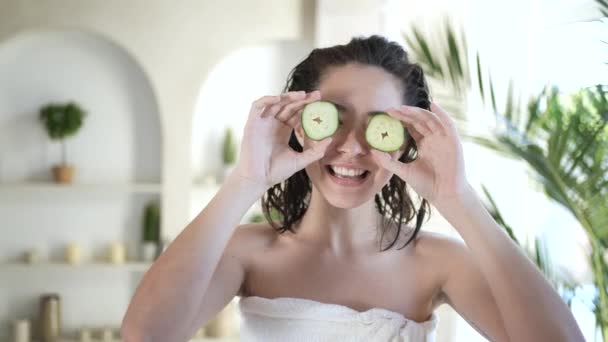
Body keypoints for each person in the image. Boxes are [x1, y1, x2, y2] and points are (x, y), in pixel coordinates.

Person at [121, 36, 585, 342]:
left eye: (378, 126)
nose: (352, 147)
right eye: (333, 120)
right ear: (300, 125)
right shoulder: (248, 253)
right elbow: (145, 335)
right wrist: (247, 180)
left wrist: (457, 197)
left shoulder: (439, 262)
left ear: (407, 140)